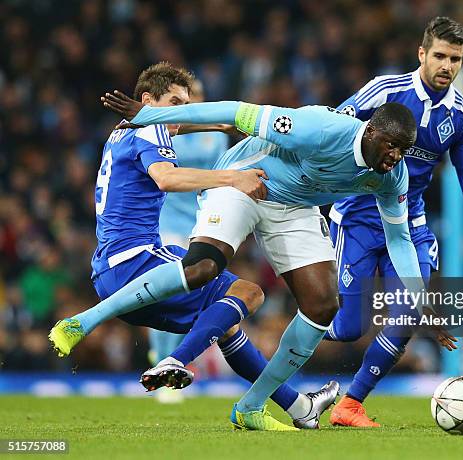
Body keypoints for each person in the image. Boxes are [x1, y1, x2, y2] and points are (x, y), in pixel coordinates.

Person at [94, 88, 457, 431]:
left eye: (403, 150)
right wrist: (152, 116)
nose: (396, 156)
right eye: (391, 146)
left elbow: (400, 237)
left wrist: (417, 298)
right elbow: (235, 112)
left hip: (295, 207)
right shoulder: (319, 129)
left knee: (323, 306)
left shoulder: (393, 176)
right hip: (246, 182)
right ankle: (129, 336)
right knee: (206, 266)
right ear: (372, 131)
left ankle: (251, 406)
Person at [49, 62, 339, 429]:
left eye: (187, 102)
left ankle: (298, 407)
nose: (182, 109)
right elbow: (166, 178)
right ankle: (169, 359)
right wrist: (233, 178)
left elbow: (179, 124)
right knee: (248, 292)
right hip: (138, 261)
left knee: (225, 321)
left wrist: (218, 123)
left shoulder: (124, 130)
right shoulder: (151, 129)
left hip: (109, 268)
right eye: (175, 101)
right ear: (147, 101)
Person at [326, 16, 463, 427]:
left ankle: (350, 404)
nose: (447, 66)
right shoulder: (385, 90)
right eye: (439, 56)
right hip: (358, 219)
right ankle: (295, 335)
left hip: (409, 221)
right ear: (422, 54)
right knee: (349, 328)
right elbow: (335, 124)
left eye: (455, 59)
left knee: (410, 311)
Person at [148, 79, 228, 404]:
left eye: (196, 95)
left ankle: (172, 364)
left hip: (200, 220)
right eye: (182, 97)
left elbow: (218, 175)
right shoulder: (165, 131)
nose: (191, 101)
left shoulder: (217, 134)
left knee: (191, 293)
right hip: (167, 220)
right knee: (167, 290)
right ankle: (161, 363)